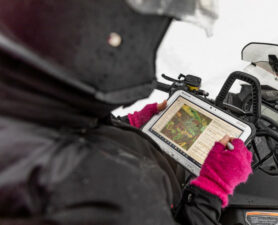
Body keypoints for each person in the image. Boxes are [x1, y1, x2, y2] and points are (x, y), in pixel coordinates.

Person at [0, 1, 253, 224]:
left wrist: (125, 124)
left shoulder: (26, 104)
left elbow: (74, 133)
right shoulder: (111, 196)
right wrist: (213, 187)